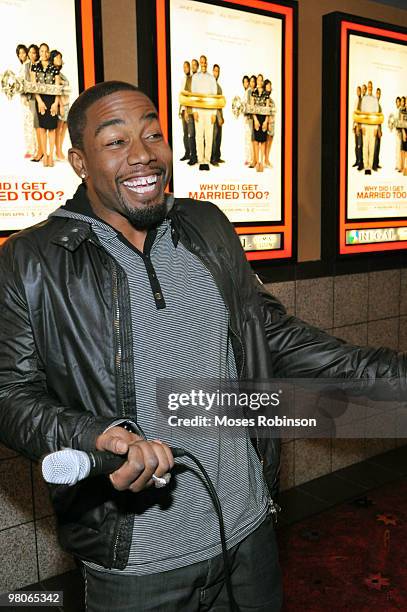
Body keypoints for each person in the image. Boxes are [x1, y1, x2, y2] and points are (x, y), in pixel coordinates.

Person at [0, 81, 406, 612]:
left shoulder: (207, 225)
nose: (143, 154)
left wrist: (392, 380)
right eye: (116, 142)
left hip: (248, 529)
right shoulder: (32, 260)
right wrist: (97, 436)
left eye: (153, 134)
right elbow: (10, 395)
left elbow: (272, 335)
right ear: (78, 160)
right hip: (138, 564)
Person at [30, 42, 61, 167]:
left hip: (52, 100)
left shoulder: (54, 68)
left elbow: (58, 87)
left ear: (49, 53)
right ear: (39, 53)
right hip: (41, 101)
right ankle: (45, 156)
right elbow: (34, 86)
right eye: (42, 51)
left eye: (46, 51)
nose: (44, 53)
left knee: (52, 130)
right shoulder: (35, 67)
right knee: (42, 129)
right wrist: (39, 102)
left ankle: (51, 156)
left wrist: (56, 103)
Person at [191, 54, 217, 170]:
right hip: (199, 110)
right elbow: (193, 94)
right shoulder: (195, 77)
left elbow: (215, 95)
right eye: (201, 62)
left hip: (209, 110)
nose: (203, 64)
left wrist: (214, 113)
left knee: (209, 135)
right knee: (199, 136)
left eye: (205, 62)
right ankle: (200, 160)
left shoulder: (211, 78)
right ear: (199, 63)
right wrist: (194, 111)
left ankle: (207, 159)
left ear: (207, 63)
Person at [15, 43, 36, 159]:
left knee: (30, 123)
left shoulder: (28, 65)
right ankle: (30, 148)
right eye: (19, 53)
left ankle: (33, 149)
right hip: (23, 99)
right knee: (27, 123)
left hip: (28, 99)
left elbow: (28, 83)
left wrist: (27, 97)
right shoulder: (23, 65)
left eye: (23, 52)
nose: (22, 55)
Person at [50, 49, 70, 161]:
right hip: (60, 104)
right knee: (59, 128)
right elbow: (57, 90)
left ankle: (59, 149)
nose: (60, 59)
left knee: (64, 127)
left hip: (67, 103)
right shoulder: (53, 73)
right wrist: (61, 105)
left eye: (60, 57)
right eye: (57, 57)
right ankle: (58, 151)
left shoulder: (60, 73)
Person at [251, 74, 269, 172]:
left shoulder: (266, 93)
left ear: (262, 82)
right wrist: (255, 120)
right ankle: (257, 162)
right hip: (256, 118)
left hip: (264, 118)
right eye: (258, 80)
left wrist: (266, 121)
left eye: (261, 80)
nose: (259, 82)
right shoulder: (253, 92)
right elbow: (252, 107)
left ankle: (262, 162)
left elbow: (267, 108)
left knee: (263, 141)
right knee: (257, 141)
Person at [360, 80, 379, 175]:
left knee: (372, 146)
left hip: (372, 126)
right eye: (369, 86)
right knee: (365, 146)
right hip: (366, 126)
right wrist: (362, 126)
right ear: (367, 88)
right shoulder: (364, 99)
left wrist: (376, 127)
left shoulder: (375, 99)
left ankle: (370, 167)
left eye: (371, 86)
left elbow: (376, 114)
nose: (370, 88)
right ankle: (365, 165)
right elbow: (362, 113)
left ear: (372, 87)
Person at [210, 63, 224, 166]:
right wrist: (218, 116)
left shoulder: (218, 85)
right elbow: (212, 102)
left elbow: (220, 102)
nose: (216, 73)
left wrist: (222, 117)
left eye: (217, 71)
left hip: (219, 113)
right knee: (213, 136)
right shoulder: (210, 85)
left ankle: (217, 156)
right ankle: (212, 158)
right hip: (213, 114)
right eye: (215, 71)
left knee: (219, 135)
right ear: (212, 71)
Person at [352, 85, 363, 170]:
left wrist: (359, 126)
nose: (358, 92)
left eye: (359, 91)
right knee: (356, 145)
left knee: (360, 145)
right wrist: (353, 126)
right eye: (357, 91)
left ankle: (360, 162)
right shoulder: (356, 101)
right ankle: (356, 160)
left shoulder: (362, 101)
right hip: (356, 125)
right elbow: (354, 114)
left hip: (360, 126)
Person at [372, 87, 382, 171]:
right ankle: (374, 165)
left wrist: (380, 130)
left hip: (379, 127)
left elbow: (380, 118)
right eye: (377, 93)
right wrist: (376, 129)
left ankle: (377, 163)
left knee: (378, 146)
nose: (378, 95)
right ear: (376, 94)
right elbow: (374, 118)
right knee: (375, 146)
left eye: (379, 93)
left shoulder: (379, 105)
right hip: (375, 128)